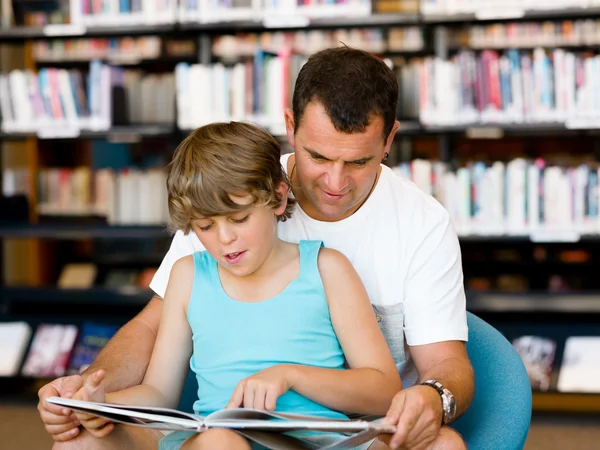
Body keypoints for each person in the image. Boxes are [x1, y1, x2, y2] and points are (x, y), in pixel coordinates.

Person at [38, 46, 474, 450]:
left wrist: (430, 399)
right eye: (319, 157)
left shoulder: (406, 230)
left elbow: (440, 364)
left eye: (359, 162)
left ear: (389, 140)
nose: (336, 182)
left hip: (340, 428)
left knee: (446, 445)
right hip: (221, 434)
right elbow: (153, 337)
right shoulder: (228, 196)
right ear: (290, 128)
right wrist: (91, 395)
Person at [67, 121, 402, 450]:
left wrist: (290, 375)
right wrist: (103, 404)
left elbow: (383, 390)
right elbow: (159, 393)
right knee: (217, 442)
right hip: (219, 441)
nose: (225, 239)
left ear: (278, 199)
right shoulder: (188, 277)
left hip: (319, 443)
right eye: (205, 226)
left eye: (239, 219)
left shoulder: (327, 269)